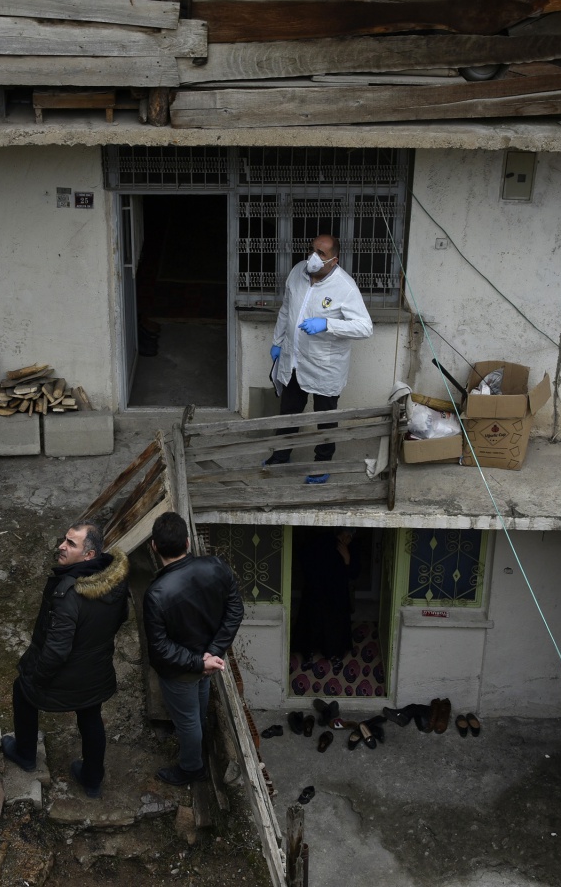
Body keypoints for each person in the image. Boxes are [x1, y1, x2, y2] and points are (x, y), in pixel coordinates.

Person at [2, 521, 130, 799]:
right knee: (90, 716)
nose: (61, 546)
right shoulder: (116, 580)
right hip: (96, 672)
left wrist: (37, 677)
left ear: (89, 555)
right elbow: (121, 618)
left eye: (71, 543)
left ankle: (25, 754)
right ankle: (92, 780)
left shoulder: (68, 594)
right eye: (64, 540)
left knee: (22, 691)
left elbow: (57, 650)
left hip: (68, 675)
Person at [142, 511, 243, 785]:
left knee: (187, 720)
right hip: (208, 659)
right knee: (195, 710)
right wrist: (214, 651)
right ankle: (197, 744)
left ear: (154, 546)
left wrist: (201, 662)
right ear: (188, 543)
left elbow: (161, 647)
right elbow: (235, 610)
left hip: (183, 669)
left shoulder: (156, 594)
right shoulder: (216, 566)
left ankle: (191, 768)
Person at [266, 234, 373, 483]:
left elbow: (365, 328)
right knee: (289, 413)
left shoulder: (345, 287)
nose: (314, 257)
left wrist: (328, 324)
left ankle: (322, 462)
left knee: (324, 417)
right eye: (312, 250)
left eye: (321, 253)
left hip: (325, 366)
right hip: (293, 360)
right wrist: (277, 341)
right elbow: (286, 309)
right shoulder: (297, 272)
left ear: (334, 260)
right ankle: (281, 456)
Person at [291, 527, 357, 661]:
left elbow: (352, 573)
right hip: (323, 594)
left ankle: (314, 653)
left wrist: (347, 560)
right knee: (323, 626)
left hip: (323, 594)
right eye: (348, 537)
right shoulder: (325, 545)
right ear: (345, 536)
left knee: (319, 625)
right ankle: (327, 653)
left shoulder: (339, 548)